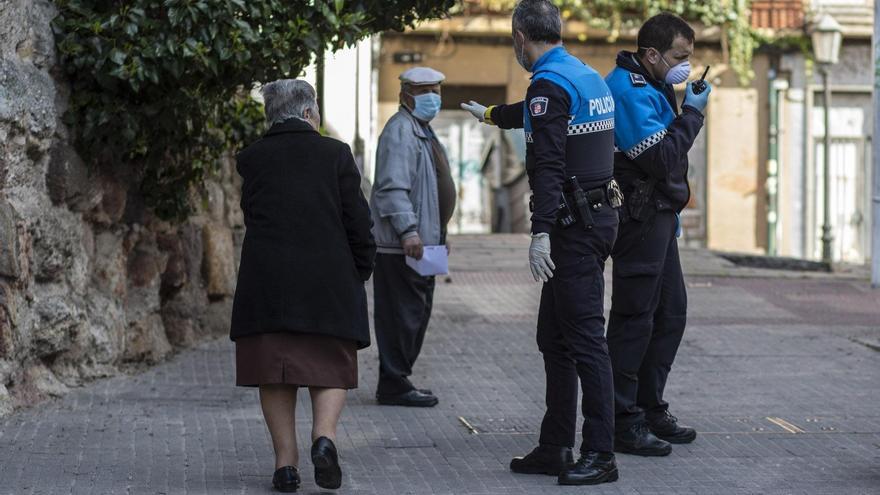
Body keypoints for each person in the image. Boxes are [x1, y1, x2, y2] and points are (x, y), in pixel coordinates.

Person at [461, 0, 621, 485]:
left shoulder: (549, 85)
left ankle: (600, 454)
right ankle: (555, 446)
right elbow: (538, 117)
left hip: (573, 228)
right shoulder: (583, 75)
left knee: (587, 342)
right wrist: (490, 113)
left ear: (519, 37)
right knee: (555, 338)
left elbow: (548, 162)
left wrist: (540, 232)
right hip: (597, 217)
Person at [230, 79, 376, 492]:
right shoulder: (335, 154)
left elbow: (252, 214)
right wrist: (359, 270)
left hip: (267, 282)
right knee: (329, 364)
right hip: (327, 280)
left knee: (275, 372)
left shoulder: (252, 157)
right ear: (310, 112)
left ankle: (285, 465)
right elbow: (358, 221)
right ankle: (324, 437)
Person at [603, 12, 711, 457]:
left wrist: (683, 105)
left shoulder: (656, 84)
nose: (685, 65)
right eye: (678, 57)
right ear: (651, 54)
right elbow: (662, 158)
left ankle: (649, 407)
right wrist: (692, 113)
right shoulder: (627, 89)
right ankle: (619, 420)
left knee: (670, 314)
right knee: (634, 317)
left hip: (661, 216)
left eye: (688, 57)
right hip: (639, 217)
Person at [370, 67, 457, 408]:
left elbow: (432, 188)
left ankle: (398, 378)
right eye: (424, 91)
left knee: (416, 312)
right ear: (405, 95)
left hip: (425, 242)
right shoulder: (400, 132)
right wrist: (408, 231)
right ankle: (393, 383)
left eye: (436, 90)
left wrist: (438, 232)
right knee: (401, 314)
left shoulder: (421, 130)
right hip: (402, 245)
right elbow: (391, 187)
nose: (432, 98)